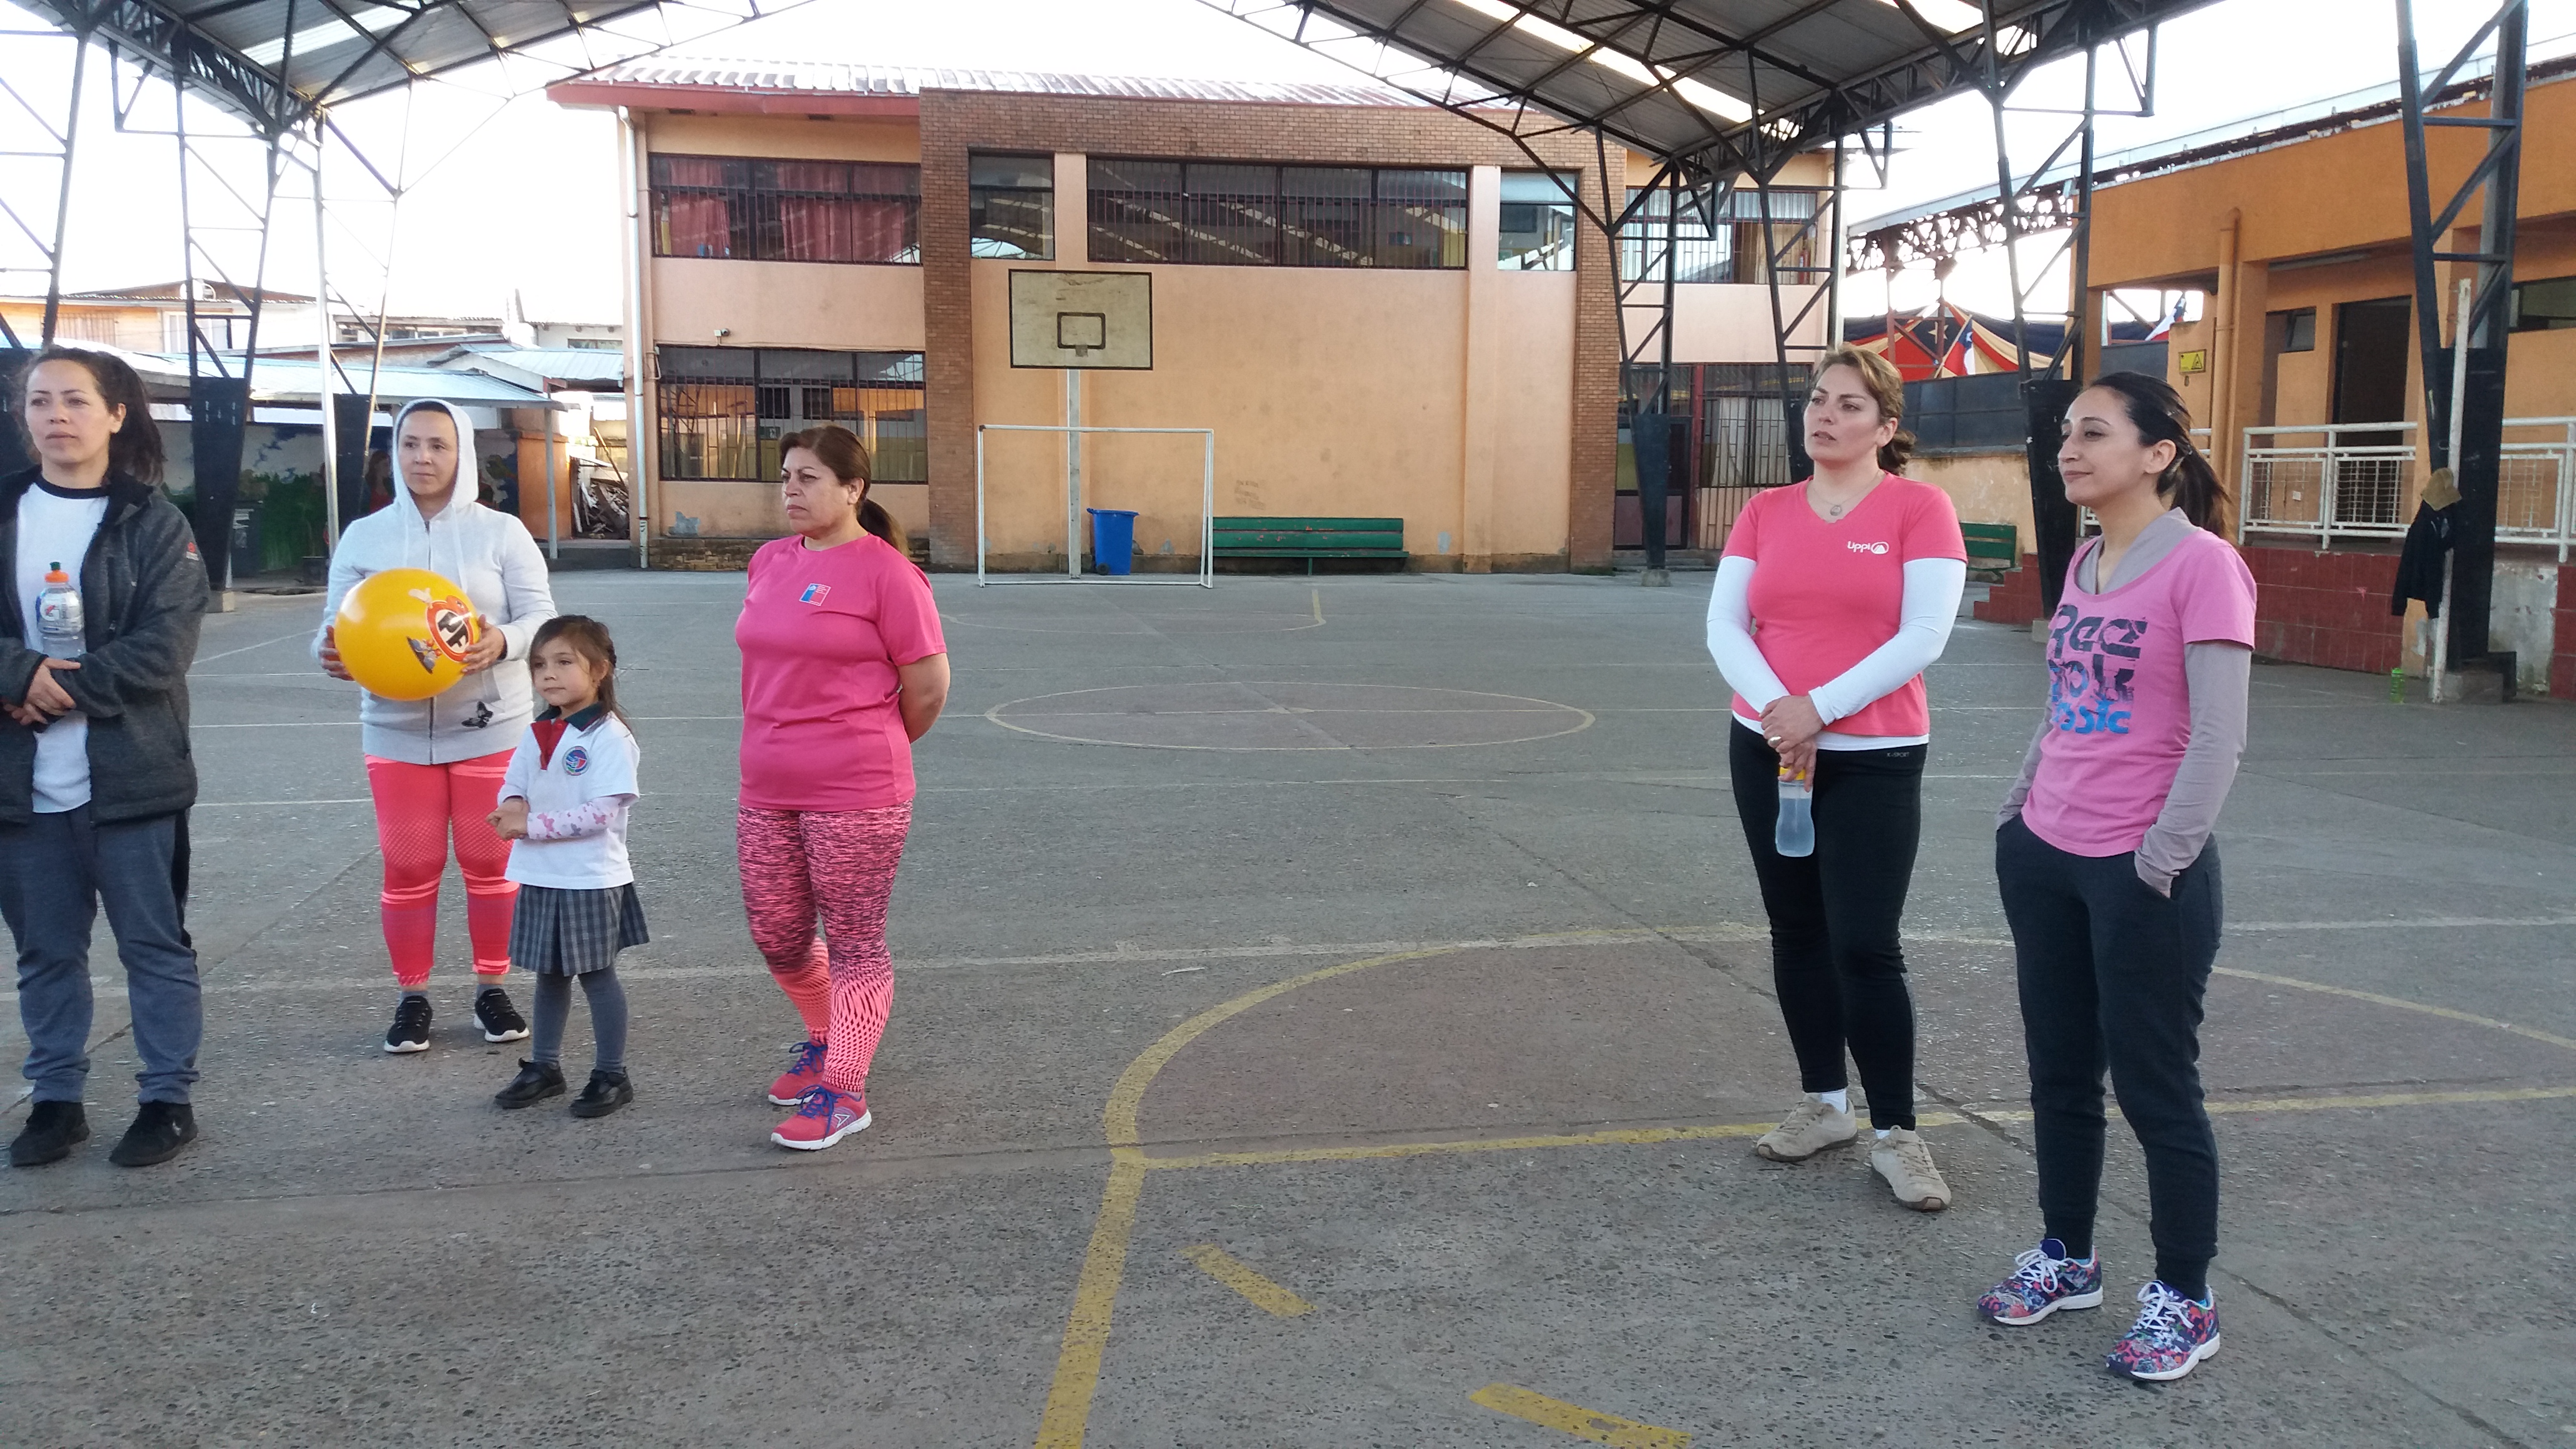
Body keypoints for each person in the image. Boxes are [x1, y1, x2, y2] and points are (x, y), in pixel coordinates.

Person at [1978, 371, 2253, 1383]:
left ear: (2157, 454)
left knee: (2155, 1087)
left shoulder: (2204, 566)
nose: (2069, 448)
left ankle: (2185, 1297)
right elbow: (2064, 704)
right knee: (2059, 1073)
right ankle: (2068, 1255)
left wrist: (2158, 860)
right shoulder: (2086, 559)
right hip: (2045, 854)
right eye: (2066, 433)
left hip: (2139, 874)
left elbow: (2219, 737)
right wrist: (2017, 814)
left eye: (2093, 432)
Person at [1705, 344, 1968, 1211]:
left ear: (1886, 428)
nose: (1826, 414)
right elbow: (1725, 626)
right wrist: (1780, 711)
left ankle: (1898, 1133)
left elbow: (1924, 635)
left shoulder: (1920, 510)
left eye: (1850, 405)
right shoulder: (1765, 511)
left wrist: (1819, 707)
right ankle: (1825, 1103)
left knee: (1865, 943)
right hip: (1768, 745)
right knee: (1797, 930)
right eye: (1819, 399)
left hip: (1875, 755)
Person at [1, 346, 210, 1168]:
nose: (56, 415)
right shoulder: (7, 511)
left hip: (133, 777)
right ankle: (56, 1102)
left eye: (76, 400)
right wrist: (16, 675)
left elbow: (165, 646)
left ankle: (166, 1099)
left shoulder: (155, 524)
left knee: (154, 947)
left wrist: (53, 688)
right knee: (45, 953)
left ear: (116, 415)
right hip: (23, 786)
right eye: (40, 400)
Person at [315, 398, 555, 1053]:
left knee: (491, 861)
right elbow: (335, 625)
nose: (422, 457)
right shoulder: (364, 537)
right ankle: (412, 997)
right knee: (409, 863)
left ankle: (491, 989)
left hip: (490, 725)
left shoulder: (501, 533)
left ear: (462, 454)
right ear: (394, 452)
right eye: (411, 444)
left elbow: (542, 618)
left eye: (438, 445)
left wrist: (502, 642)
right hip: (395, 729)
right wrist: (329, 653)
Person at [736, 424, 947, 1151]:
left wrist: (869, 747)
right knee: (778, 935)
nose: (791, 490)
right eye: (786, 477)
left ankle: (845, 1092)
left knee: (855, 941)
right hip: (767, 781)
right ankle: (826, 1040)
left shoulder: (889, 575)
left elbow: (928, 687)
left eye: (809, 478)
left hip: (857, 787)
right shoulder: (769, 561)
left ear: (853, 489)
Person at [489, 615, 644, 1118]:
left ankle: (611, 1074)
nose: (548, 674)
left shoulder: (610, 737)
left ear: (599, 670)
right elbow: (515, 782)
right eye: (539, 665)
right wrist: (512, 804)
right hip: (541, 874)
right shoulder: (538, 731)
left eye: (563, 662)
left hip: (589, 877)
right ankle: (544, 1066)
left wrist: (530, 825)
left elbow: (600, 814)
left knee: (597, 976)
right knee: (549, 975)